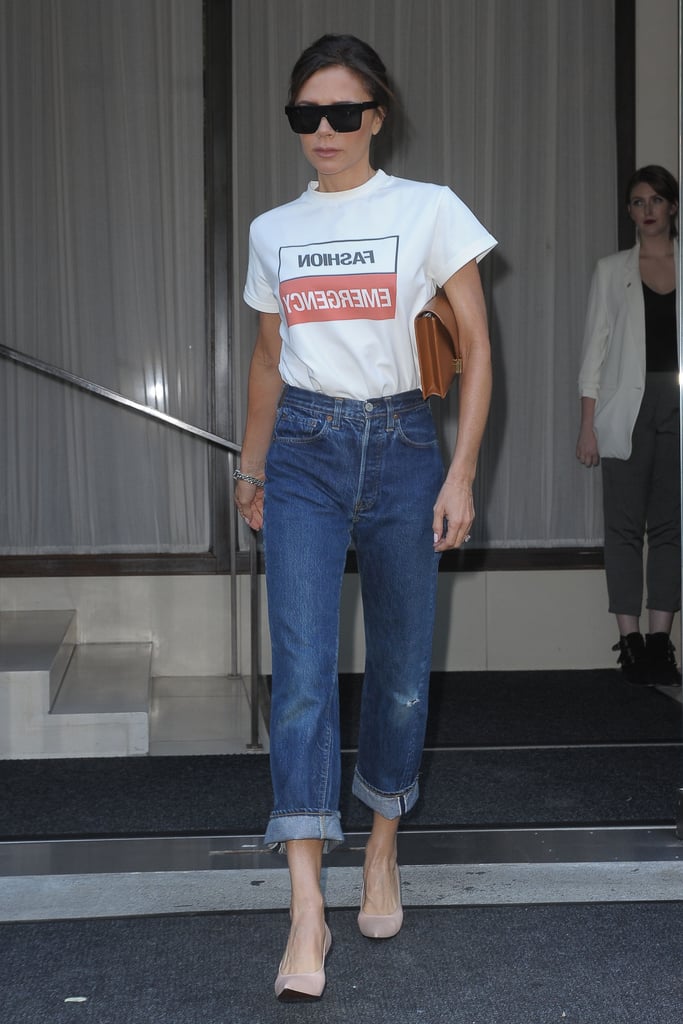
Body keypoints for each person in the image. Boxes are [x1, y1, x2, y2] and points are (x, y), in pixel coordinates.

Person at [234, 34, 496, 1001]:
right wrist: (250, 465)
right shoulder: (272, 230)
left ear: (376, 115)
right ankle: (305, 907)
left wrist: (460, 472)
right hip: (300, 452)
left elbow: (473, 348)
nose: (324, 132)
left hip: (401, 450)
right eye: (306, 115)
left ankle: (380, 844)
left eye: (343, 113)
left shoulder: (428, 210)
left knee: (394, 677)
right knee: (299, 678)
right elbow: (268, 360)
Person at [576, 165, 680, 687]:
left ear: (673, 207)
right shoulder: (610, 269)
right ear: (630, 211)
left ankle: (662, 641)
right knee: (622, 528)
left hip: (677, 406)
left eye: (657, 200)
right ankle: (632, 641)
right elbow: (594, 352)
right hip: (625, 410)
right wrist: (587, 425)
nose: (648, 210)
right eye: (638, 202)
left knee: (670, 526)